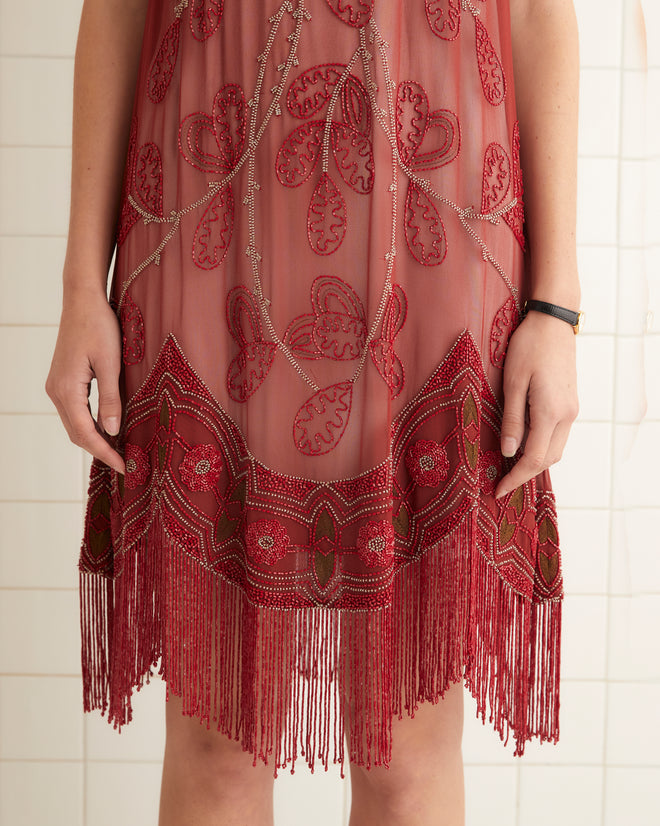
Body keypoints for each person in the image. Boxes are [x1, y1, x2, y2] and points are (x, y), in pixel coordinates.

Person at [45, 0, 580, 824]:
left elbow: (542, 13)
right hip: (203, 218)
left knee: (403, 750)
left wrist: (557, 303)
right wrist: (84, 282)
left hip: (441, 229)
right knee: (219, 747)